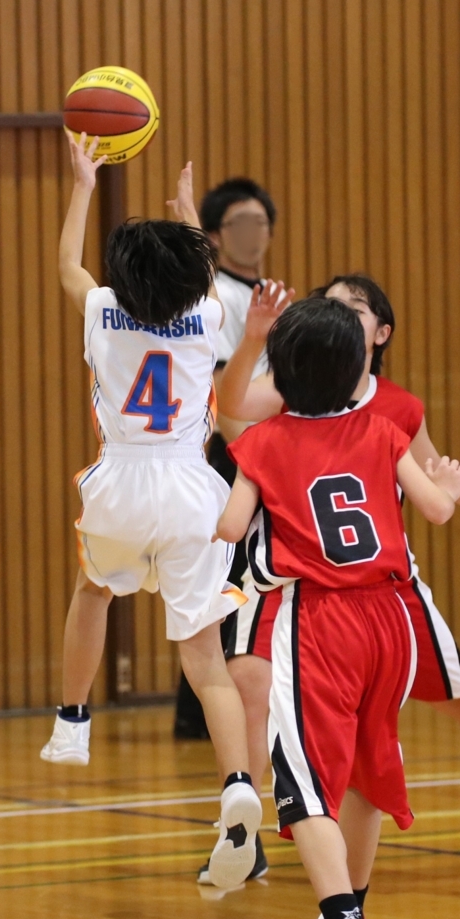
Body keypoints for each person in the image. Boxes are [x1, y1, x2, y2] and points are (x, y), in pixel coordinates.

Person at [214, 273, 460, 894]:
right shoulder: (317, 409)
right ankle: (254, 833)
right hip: (346, 602)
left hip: (361, 597)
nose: (338, 311)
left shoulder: (388, 412)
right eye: (329, 302)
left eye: (353, 306)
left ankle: (338, 898)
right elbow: (442, 494)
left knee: (452, 693)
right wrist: (252, 340)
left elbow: (438, 475)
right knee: (262, 692)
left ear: (379, 333)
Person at [39, 132, 261, 890]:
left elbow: (66, 265)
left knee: (94, 591)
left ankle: (72, 721)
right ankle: (236, 784)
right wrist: (190, 218)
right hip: (193, 490)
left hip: (123, 485)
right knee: (205, 661)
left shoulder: (102, 310)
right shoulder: (206, 317)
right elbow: (196, 276)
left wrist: (82, 184)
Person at [173, 177, 282, 744]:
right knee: (221, 580)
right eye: (240, 224)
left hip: (265, 454)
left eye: (260, 223)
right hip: (231, 454)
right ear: (215, 235)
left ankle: (234, 701)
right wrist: (258, 455)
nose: (252, 234)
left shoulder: (266, 291)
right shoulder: (215, 296)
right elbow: (220, 391)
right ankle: (199, 712)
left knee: (241, 579)